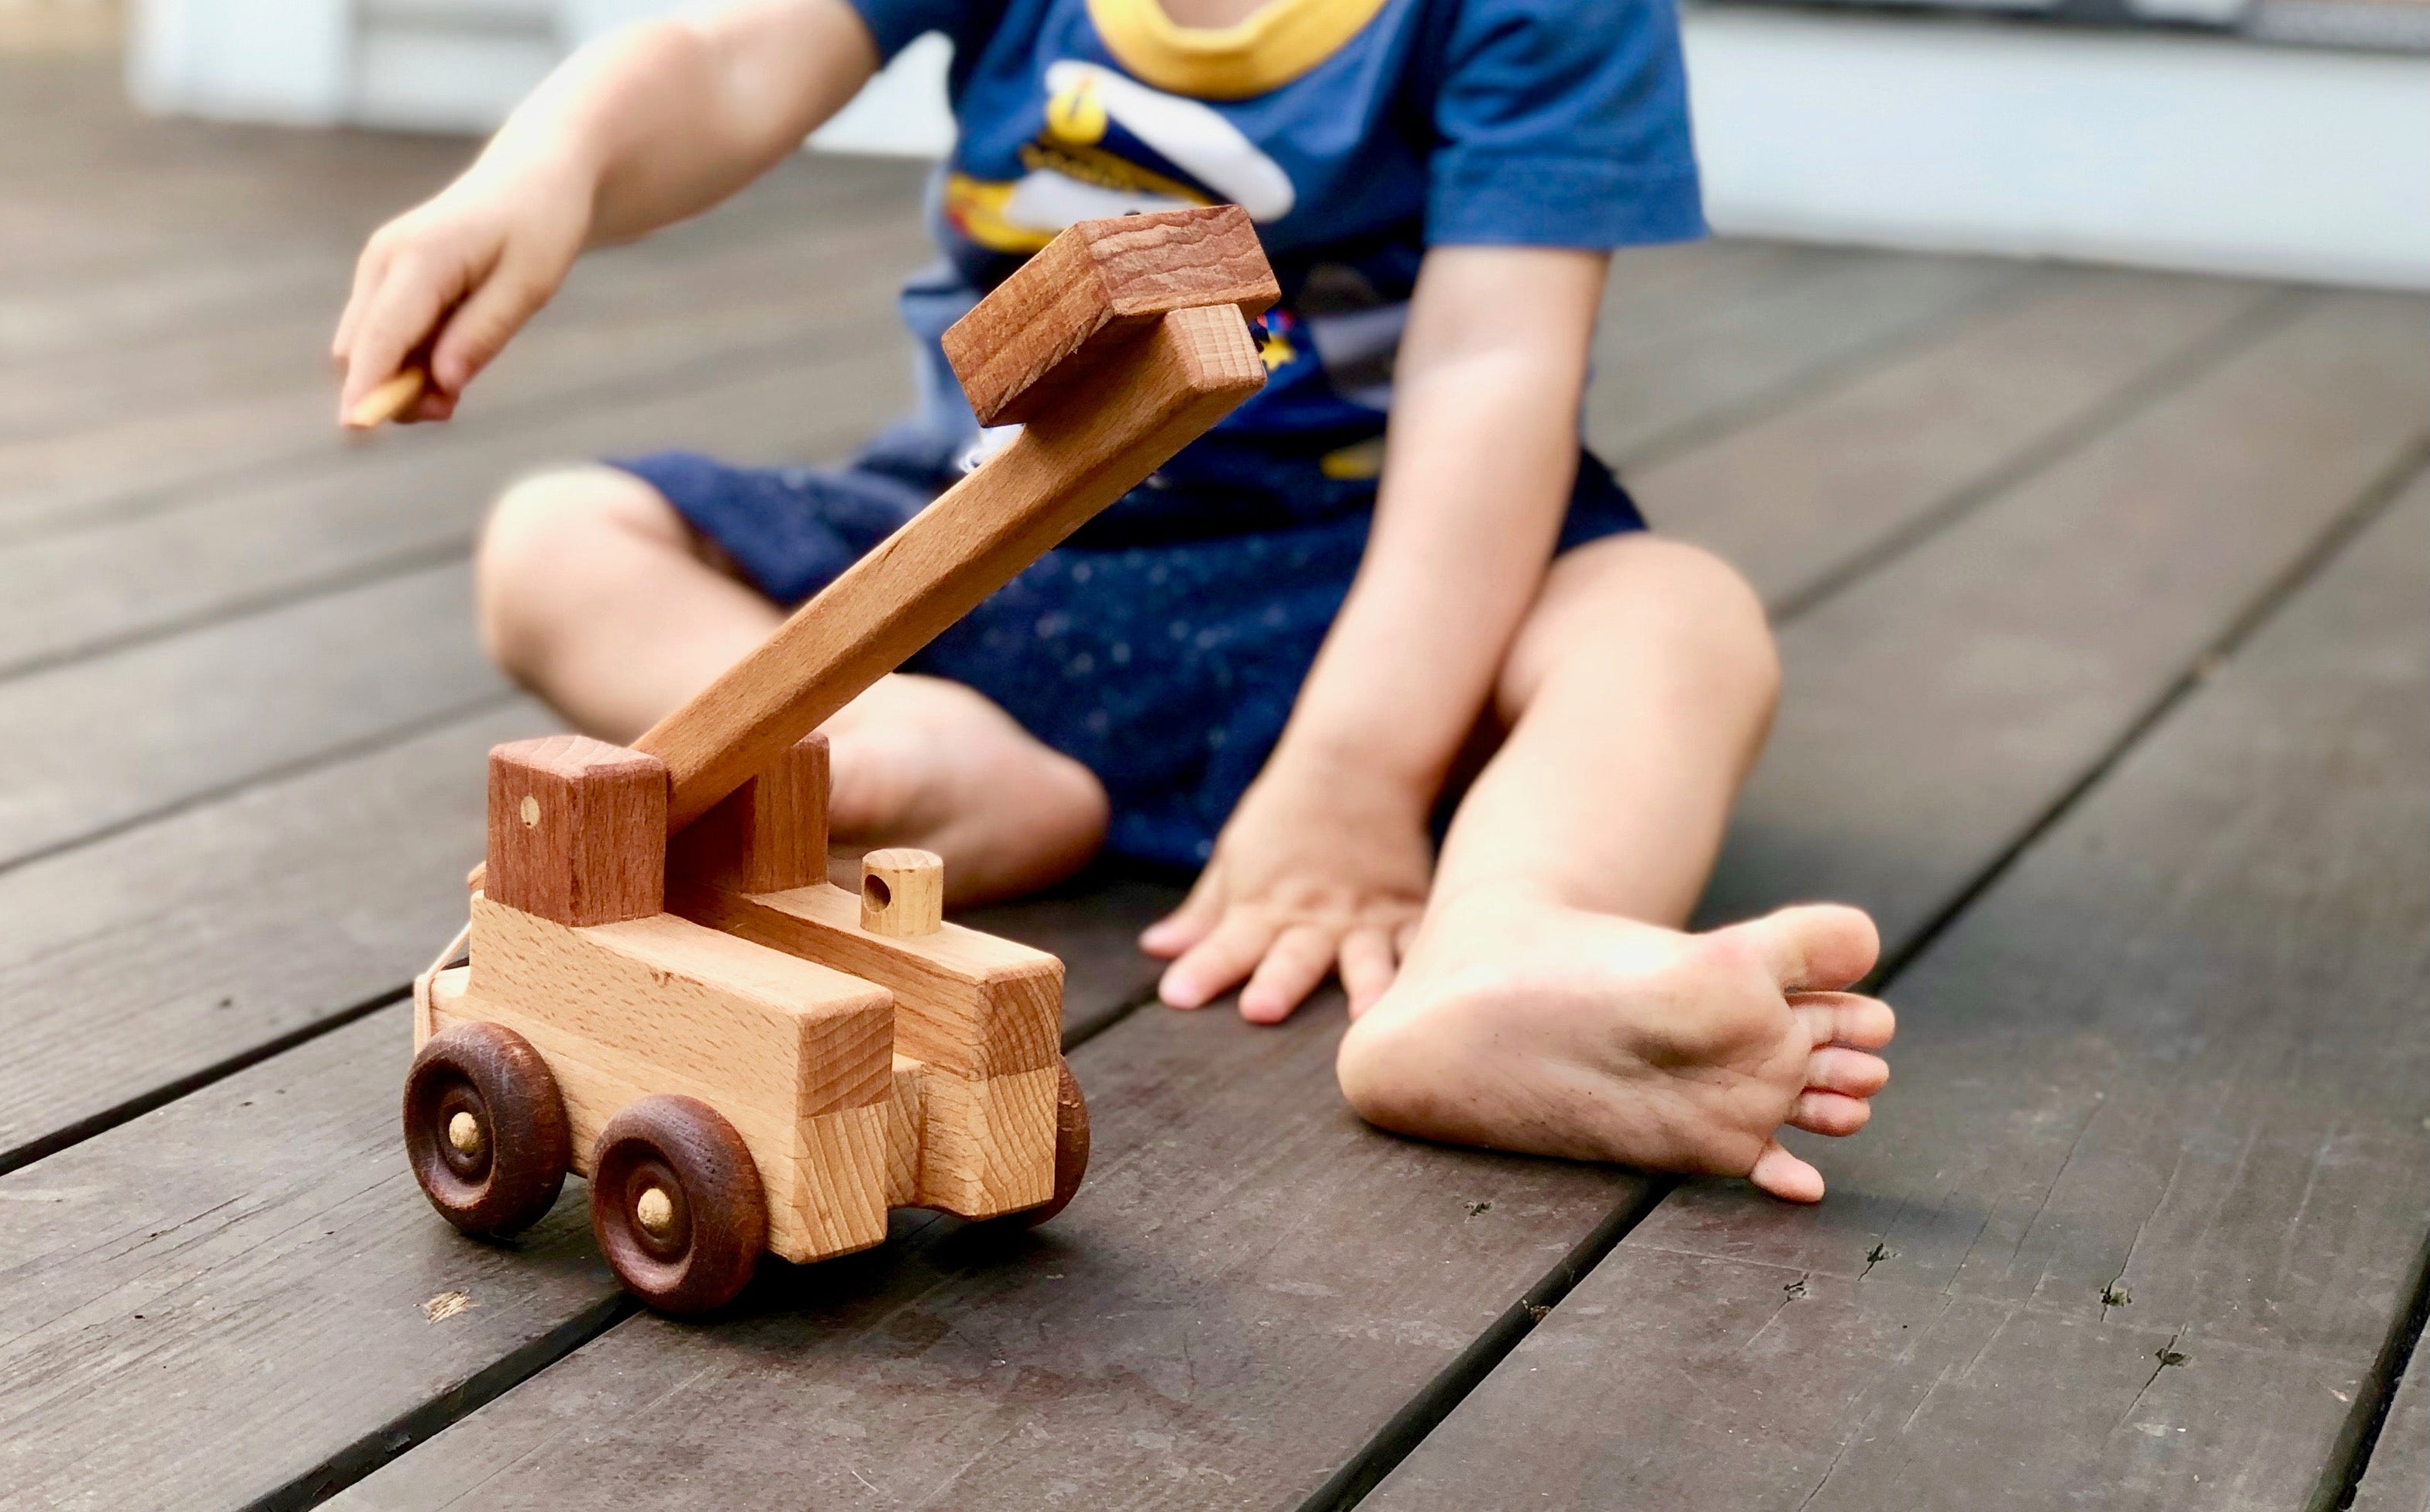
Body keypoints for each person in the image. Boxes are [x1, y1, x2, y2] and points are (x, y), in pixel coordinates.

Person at [331, 0, 1894, 1201]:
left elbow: (1496, 376)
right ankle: (900, 750)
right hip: (988, 561)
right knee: (555, 534)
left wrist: (1360, 772)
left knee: (1674, 617)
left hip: (1364, 609)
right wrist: (545, 171)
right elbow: (726, 58)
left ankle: (1503, 946)